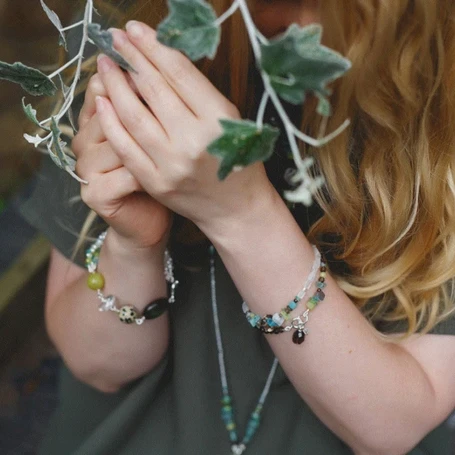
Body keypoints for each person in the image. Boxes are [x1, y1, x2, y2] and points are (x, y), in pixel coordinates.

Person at [18, 0, 455, 454]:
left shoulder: (443, 107)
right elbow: (97, 366)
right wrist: (132, 245)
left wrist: (242, 217)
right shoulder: (133, 36)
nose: (299, 27)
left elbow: (390, 426)